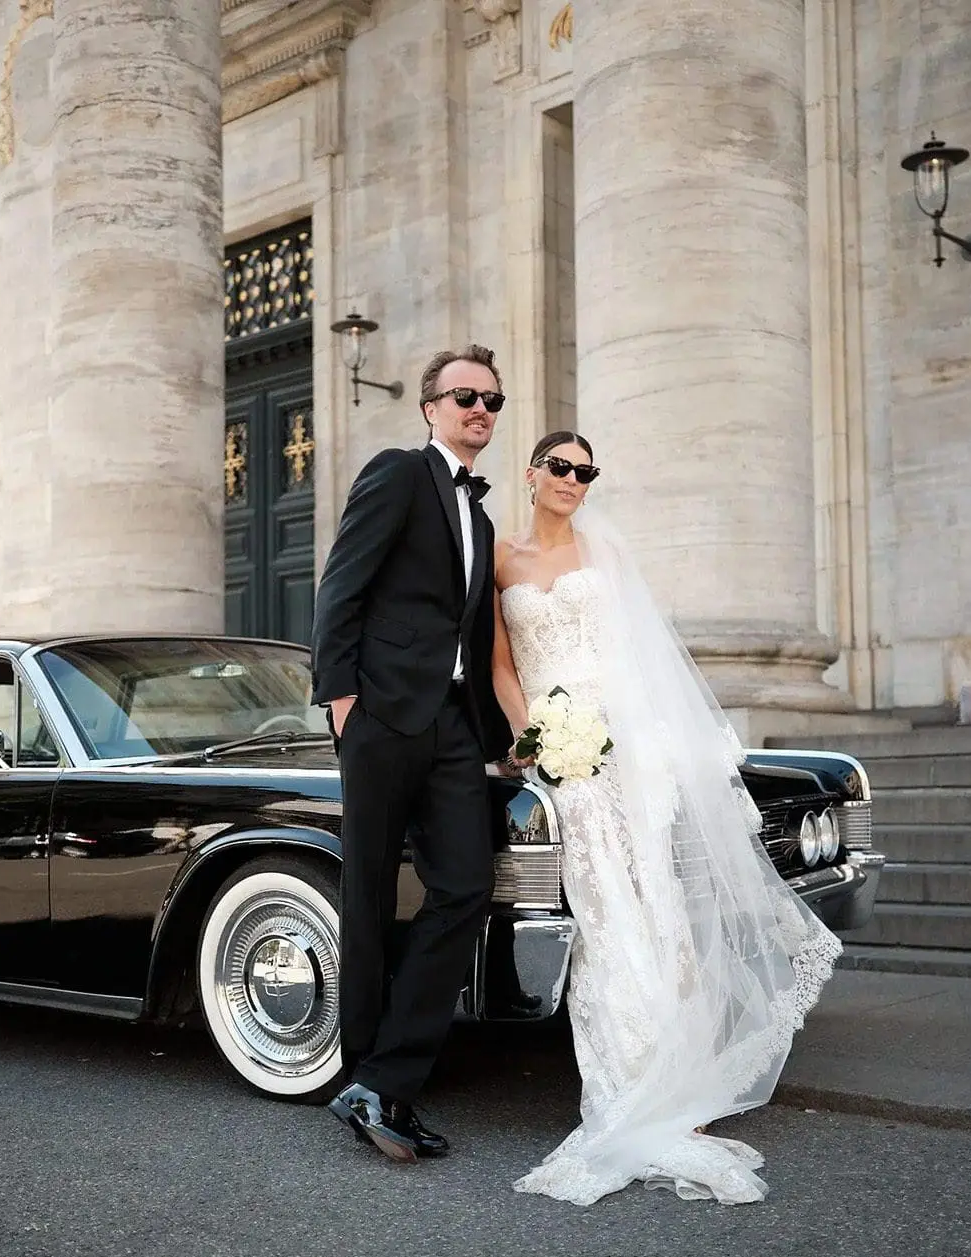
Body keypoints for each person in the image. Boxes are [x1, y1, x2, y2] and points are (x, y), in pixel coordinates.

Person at [492, 431, 842, 1205]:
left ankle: (680, 1086)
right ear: (532, 472)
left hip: (624, 745)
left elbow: (636, 654)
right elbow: (501, 666)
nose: (572, 481)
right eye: (560, 467)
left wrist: (629, 733)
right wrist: (534, 739)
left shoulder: (606, 555)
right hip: (561, 756)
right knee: (604, 910)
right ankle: (627, 1082)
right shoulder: (500, 559)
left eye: (586, 472)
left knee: (656, 905)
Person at [311, 344, 512, 1163]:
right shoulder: (399, 472)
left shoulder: (485, 516)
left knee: (464, 885)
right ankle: (373, 1082)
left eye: (494, 400)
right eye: (465, 395)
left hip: (454, 729)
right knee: (365, 897)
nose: (480, 410)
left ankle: (382, 1080)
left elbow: (476, 636)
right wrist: (342, 699)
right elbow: (341, 583)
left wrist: (503, 740)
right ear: (430, 406)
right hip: (385, 717)